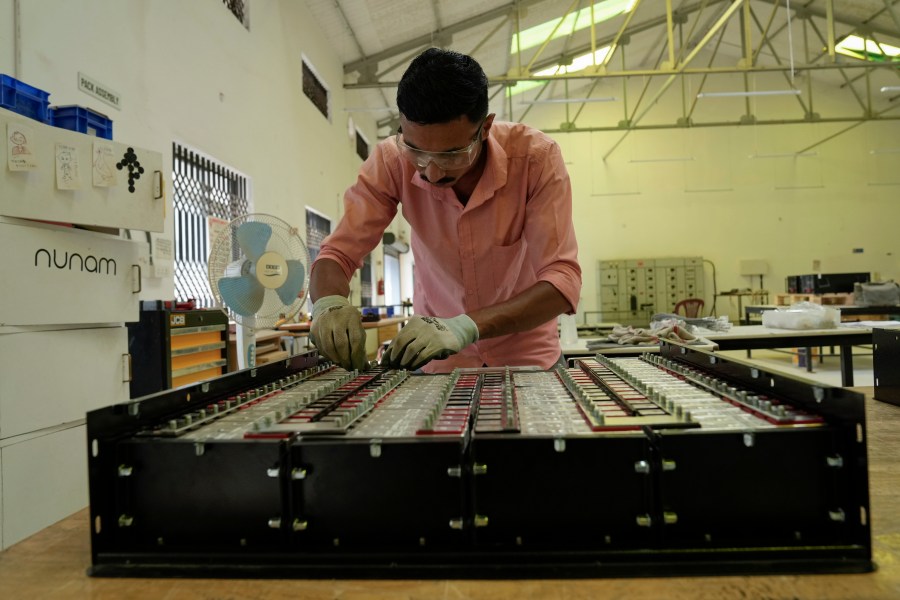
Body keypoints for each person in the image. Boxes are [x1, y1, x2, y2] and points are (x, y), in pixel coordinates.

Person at [309, 48, 581, 373]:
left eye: (453, 154)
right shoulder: (390, 160)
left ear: (485, 128)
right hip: (438, 363)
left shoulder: (536, 159)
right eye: (417, 151)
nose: (433, 172)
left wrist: (465, 326)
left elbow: (562, 281)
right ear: (401, 128)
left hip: (527, 359)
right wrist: (328, 304)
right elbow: (338, 253)